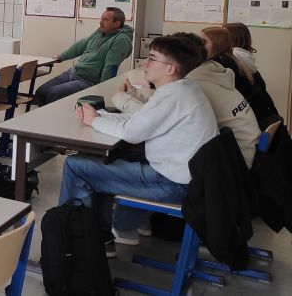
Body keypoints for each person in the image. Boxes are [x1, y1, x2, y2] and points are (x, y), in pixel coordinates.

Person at [59, 34, 218, 255]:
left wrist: (94, 121)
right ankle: (102, 236)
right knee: (103, 161)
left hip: (170, 184)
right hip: (186, 179)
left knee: (76, 166)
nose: (145, 63)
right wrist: (100, 116)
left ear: (170, 68)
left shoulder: (173, 95)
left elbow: (132, 133)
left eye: (152, 59)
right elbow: (142, 119)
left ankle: (75, 243)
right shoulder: (184, 88)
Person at [113, 33, 259, 168]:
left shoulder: (197, 85)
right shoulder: (209, 72)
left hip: (231, 164)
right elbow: (162, 107)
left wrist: (123, 100)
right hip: (235, 152)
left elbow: (152, 117)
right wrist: (134, 94)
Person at [34, 7, 133, 105]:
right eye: (101, 18)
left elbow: (111, 67)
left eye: (105, 20)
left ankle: (54, 114)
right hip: (74, 72)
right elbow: (82, 45)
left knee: (53, 93)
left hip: (89, 81)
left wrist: (102, 89)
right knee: (41, 92)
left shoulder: (121, 40)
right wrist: (61, 56)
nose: (100, 22)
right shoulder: (101, 31)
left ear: (117, 24)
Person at [201, 25, 278, 125]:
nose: (199, 45)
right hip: (257, 114)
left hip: (245, 119)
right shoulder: (231, 57)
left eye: (203, 41)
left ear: (217, 42)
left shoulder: (220, 62)